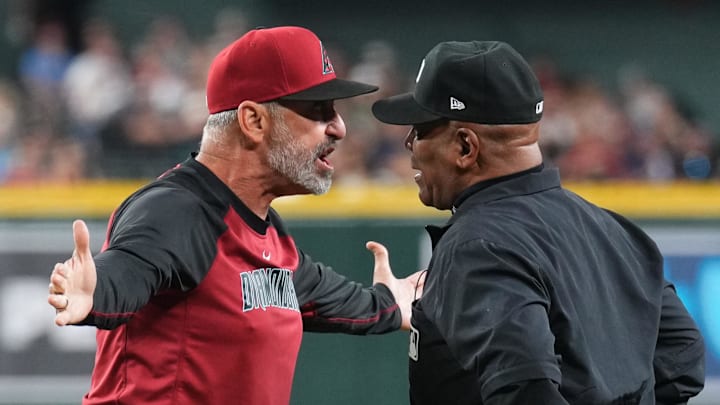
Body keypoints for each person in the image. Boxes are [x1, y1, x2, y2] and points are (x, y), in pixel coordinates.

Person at [47, 26, 423, 405]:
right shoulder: (177, 210)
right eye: (317, 110)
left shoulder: (268, 232)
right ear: (254, 121)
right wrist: (94, 293)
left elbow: (334, 299)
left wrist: (391, 303)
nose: (339, 127)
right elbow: (128, 272)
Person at [371, 40, 705, 404]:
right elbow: (683, 358)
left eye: (420, 131)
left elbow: (529, 392)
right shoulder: (612, 229)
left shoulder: (478, 247)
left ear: (466, 147)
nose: (408, 143)